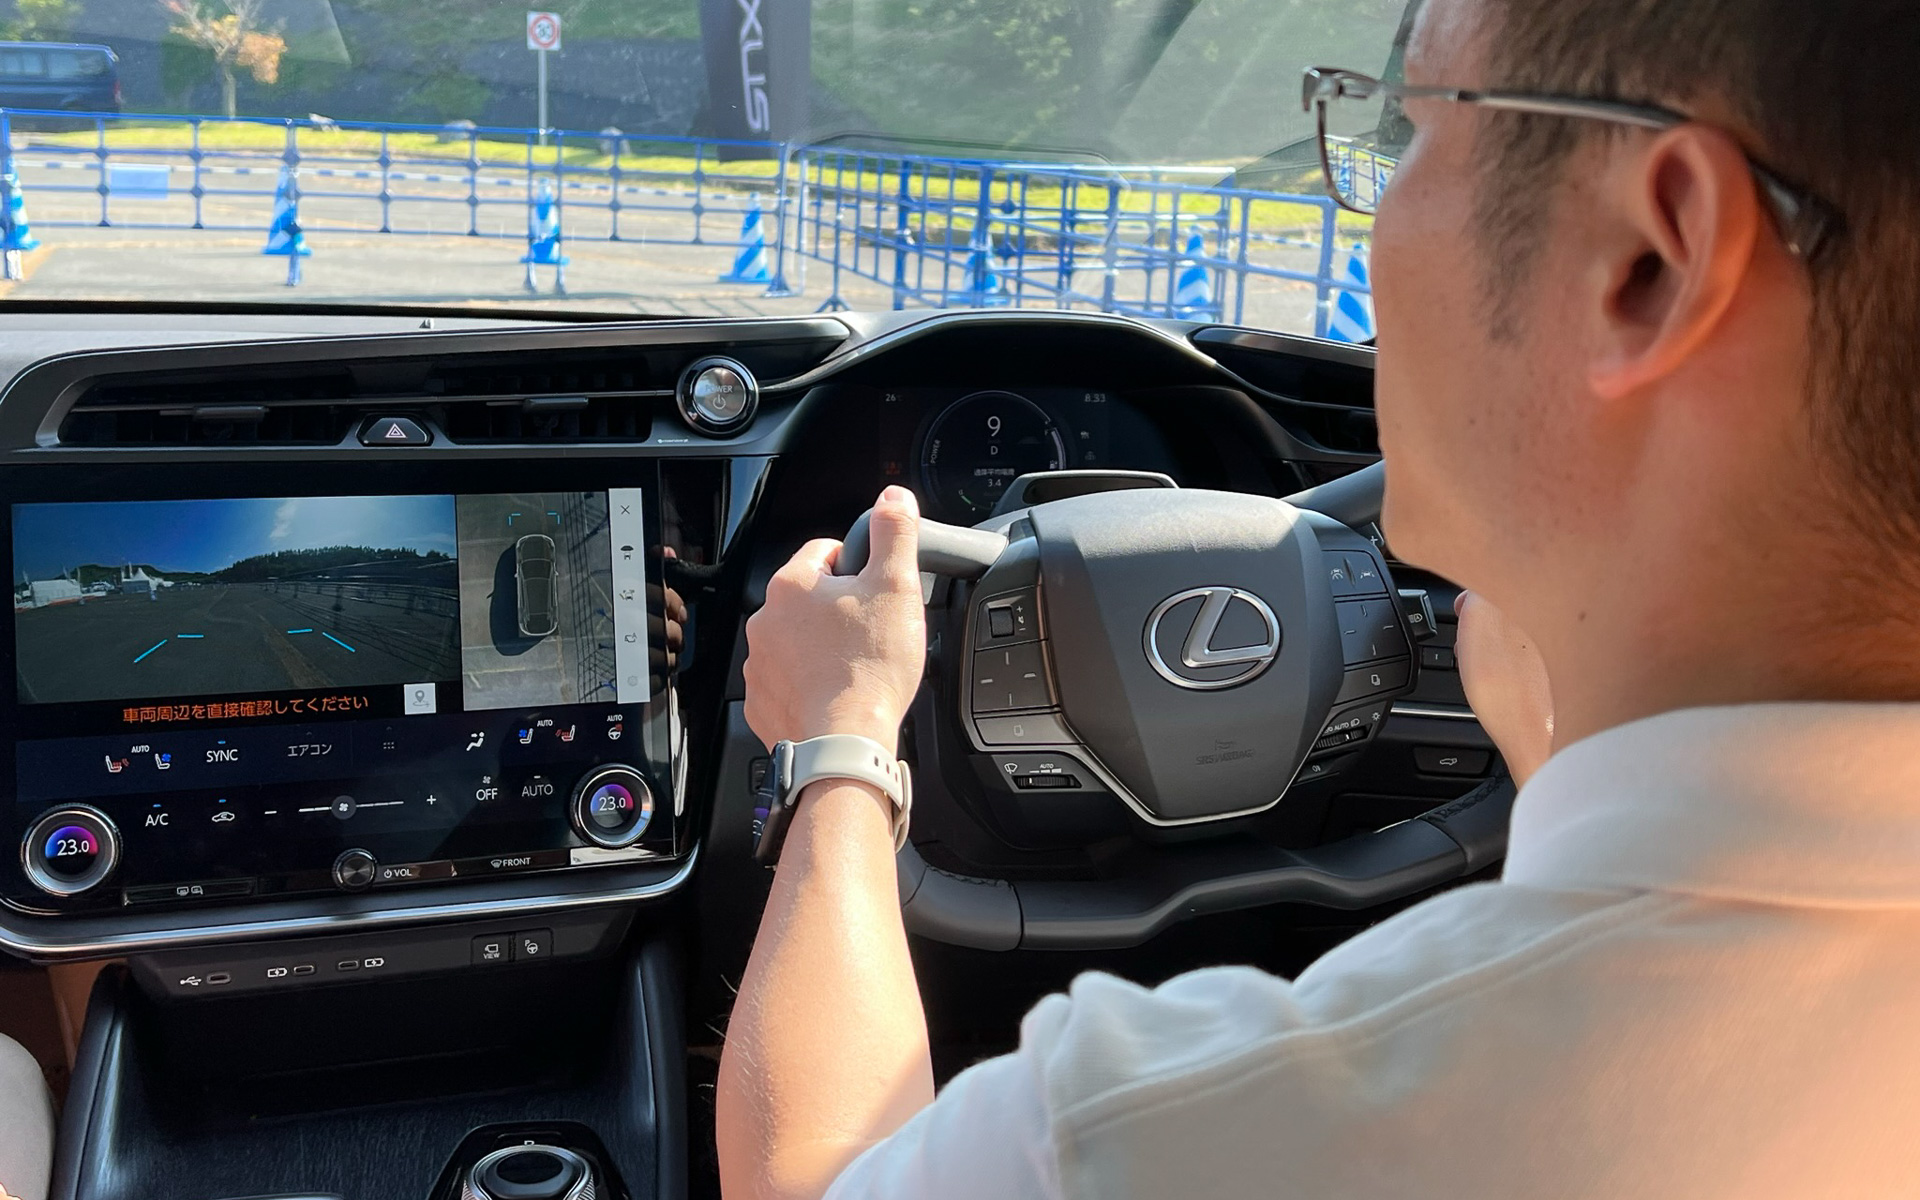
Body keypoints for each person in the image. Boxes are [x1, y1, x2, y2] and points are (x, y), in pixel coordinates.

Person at [718, 0, 1920, 1194]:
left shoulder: (1152, 1136)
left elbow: (803, 1181)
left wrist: (841, 741)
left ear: (1648, 261)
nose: (1369, 215)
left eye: (1410, 131)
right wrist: (1557, 770)